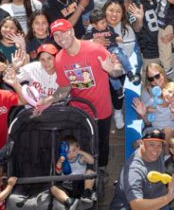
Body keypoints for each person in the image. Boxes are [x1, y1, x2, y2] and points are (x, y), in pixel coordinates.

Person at [50, 19, 122, 168]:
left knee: (102, 144)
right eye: (56, 35)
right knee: (81, 144)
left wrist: (111, 70)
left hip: (102, 110)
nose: (60, 38)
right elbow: (64, 88)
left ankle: (102, 170)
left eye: (63, 32)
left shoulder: (95, 49)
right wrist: (49, 100)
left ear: (72, 31)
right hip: (79, 111)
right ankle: (84, 174)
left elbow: (118, 69)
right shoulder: (59, 59)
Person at [51, 135, 97, 210]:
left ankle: (87, 193)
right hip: (67, 186)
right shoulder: (63, 161)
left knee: (90, 172)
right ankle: (69, 202)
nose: (71, 153)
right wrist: (60, 161)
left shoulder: (81, 158)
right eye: (68, 152)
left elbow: (92, 161)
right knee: (53, 188)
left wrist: (80, 152)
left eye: (74, 150)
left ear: (78, 148)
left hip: (81, 185)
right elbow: (58, 171)